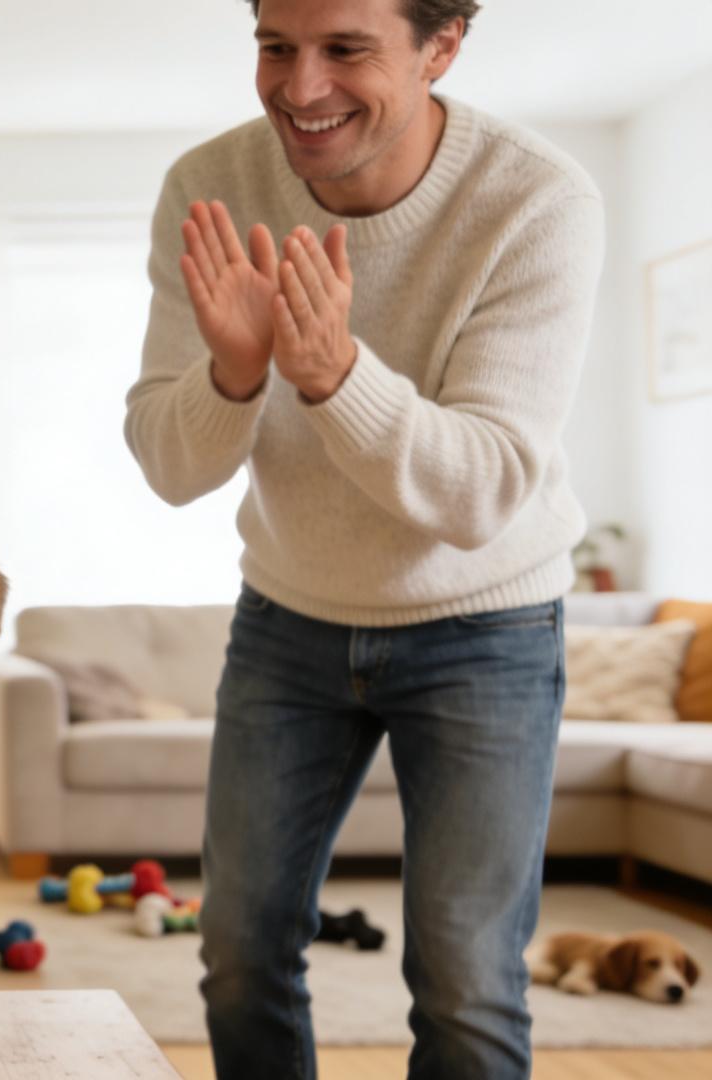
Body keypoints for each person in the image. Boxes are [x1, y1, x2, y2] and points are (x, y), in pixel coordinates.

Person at [122, 1, 604, 1077]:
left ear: (442, 47)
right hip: (289, 617)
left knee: (467, 981)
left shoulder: (534, 200)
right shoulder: (209, 188)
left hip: (488, 623)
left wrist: (334, 375)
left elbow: (484, 491)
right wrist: (234, 375)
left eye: (345, 50)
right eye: (274, 47)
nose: (301, 88)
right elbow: (169, 465)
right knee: (240, 951)